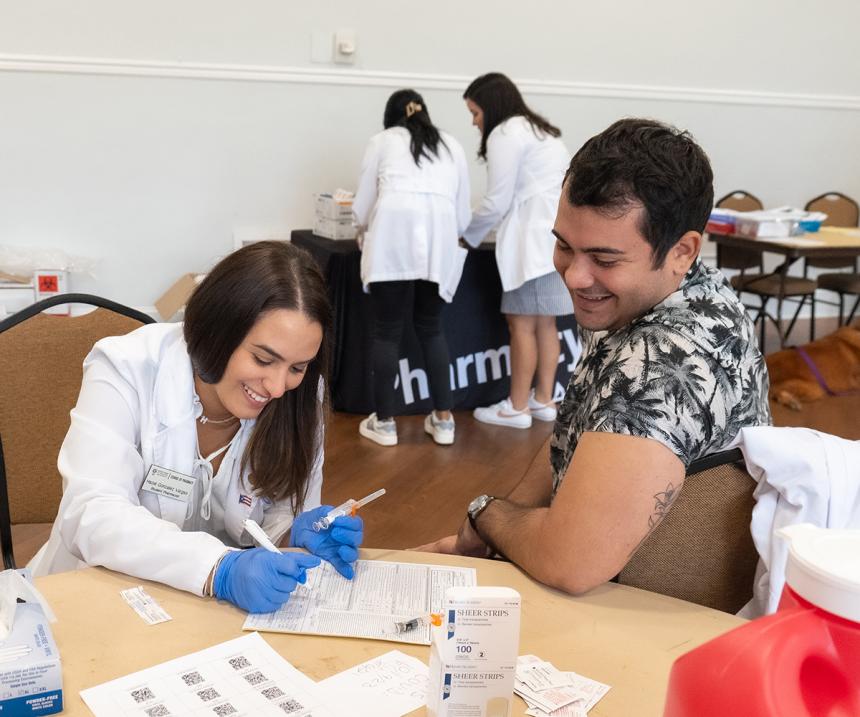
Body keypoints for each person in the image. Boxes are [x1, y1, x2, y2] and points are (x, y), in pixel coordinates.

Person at [421, 119, 772, 595]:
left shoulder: (662, 360)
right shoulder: (668, 291)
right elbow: (576, 439)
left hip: (646, 615)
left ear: (681, 250)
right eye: (565, 245)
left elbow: (572, 563)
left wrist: (486, 514)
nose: (574, 276)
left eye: (605, 260)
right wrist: (494, 533)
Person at [29, 241, 364, 614]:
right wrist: (219, 569)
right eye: (263, 359)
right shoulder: (126, 368)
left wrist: (298, 534)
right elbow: (91, 514)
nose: (276, 386)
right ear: (219, 331)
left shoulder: (299, 397)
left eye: (297, 367)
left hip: (216, 616)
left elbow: (280, 516)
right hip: (102, 599)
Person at [352, 89, 471, 447]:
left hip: (392, 238)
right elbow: (463, 216)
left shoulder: (382, 141)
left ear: (391, 118)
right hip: (440, 243)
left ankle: (385, 423)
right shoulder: (452, 144)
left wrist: (361, 230)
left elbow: (360, 208)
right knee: (432, 329)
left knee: (387, 330)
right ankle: (445, 420)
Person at [461, 72, 573, 430]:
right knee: (547, 324)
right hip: (553, 237)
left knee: (521, 324)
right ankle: (543, 400)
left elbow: (497, 200)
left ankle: (517, 406)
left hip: (530, 242)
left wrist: (467, 235)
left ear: (491, 107)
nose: (474, 121)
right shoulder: (540, 130)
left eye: (475, 112)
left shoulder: (505, 133)